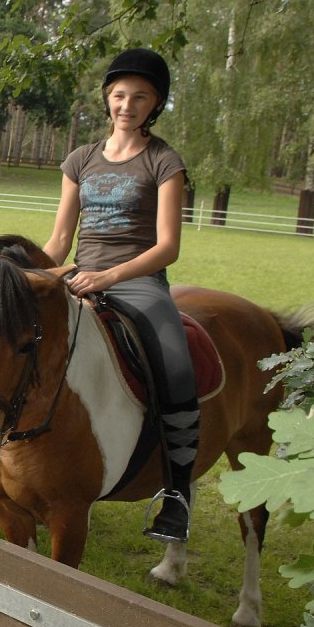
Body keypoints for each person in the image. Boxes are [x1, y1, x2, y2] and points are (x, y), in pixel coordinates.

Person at [42, 48, 199, 543]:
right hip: (78, 273)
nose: (126, 105)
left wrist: (108, 278)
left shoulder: (164, 161)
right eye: (118, 95)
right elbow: (60, 240)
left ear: (155, 104)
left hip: (138, 281)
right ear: (107, 99)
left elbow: (168, 246)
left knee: (174, 362)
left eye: (139, 97)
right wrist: (36, 273)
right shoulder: (81, 159)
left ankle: (177, 494)